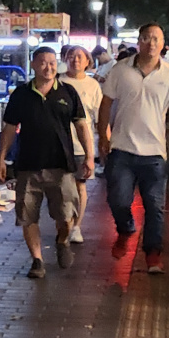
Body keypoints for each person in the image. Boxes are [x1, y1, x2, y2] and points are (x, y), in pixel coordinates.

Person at [98, 23, 169, 274]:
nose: (151, 43)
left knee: (154, 205)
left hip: (154, 153)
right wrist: (103, 135)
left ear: (163, 44)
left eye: (156, 39)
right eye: (147, 38)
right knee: (118, 199)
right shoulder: (120, 70)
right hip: (122, 148)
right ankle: (126, 228)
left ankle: (153, 252)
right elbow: (106, 104)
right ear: (139, 41)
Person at [0, 46, 94, 278]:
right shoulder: (21, 94)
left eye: (52, 62)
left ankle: (62, 241)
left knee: (66, 216)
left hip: (61, 166)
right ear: (33, 65)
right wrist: (1, 157)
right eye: (42, 62)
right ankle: (37, 260)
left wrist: (89, 156)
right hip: (28, 165)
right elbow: (10, 128)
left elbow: (81, 126)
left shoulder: (67, 93)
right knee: (28, 215)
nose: (48, 67)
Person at [58, 45, 105, 244]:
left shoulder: (93, 85)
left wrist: (104, 139)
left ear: (87, 61)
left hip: (81, 145)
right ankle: (64, 224)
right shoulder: (57, 82)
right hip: (58, 143)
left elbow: (100, 116)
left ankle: (76, 225)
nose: (75, 60)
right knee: (60, 187)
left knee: (80, 186)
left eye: (80, 57)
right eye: (71, 56)